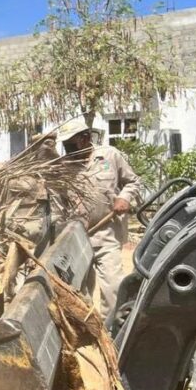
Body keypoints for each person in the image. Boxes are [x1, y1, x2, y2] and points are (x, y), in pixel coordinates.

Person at [57, 119, 142, 319]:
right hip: (76, 238)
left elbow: (134, 181)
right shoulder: (62, 167)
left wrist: (124, 197)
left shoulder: (109, 156)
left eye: (71, 143)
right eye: (65, 144)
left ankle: (111, 331)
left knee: (113, 287)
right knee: (79, 292)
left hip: (107, 234)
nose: (67, 148)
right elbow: (57, 202)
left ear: (85, 138)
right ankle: (88, 332)